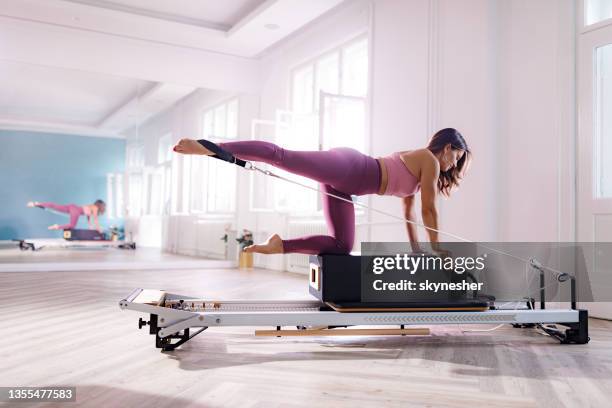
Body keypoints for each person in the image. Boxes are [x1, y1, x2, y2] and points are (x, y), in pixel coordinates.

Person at [173, 128, 470, 255]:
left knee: (342, 245)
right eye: (455, 158)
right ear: (447, 148)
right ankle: (211, 147)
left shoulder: (418, 177)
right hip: (348, 167)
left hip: (346, 188)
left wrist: (418, 249)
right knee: (281, 156)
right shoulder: (429, 161)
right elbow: (430, 210)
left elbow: (412, 215)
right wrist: (437, 248)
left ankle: (280, 245)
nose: (451, 165)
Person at [27, 199, 106, 232]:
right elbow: (95, 219)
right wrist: (99, 228)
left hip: (72, 207)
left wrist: (90, 225)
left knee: (55, 206)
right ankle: (56, 226)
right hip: (76, 211)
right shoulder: (95, 208)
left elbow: (88, 215)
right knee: (72, 225)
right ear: (100, 205)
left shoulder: (91, 206)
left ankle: (36, 204)